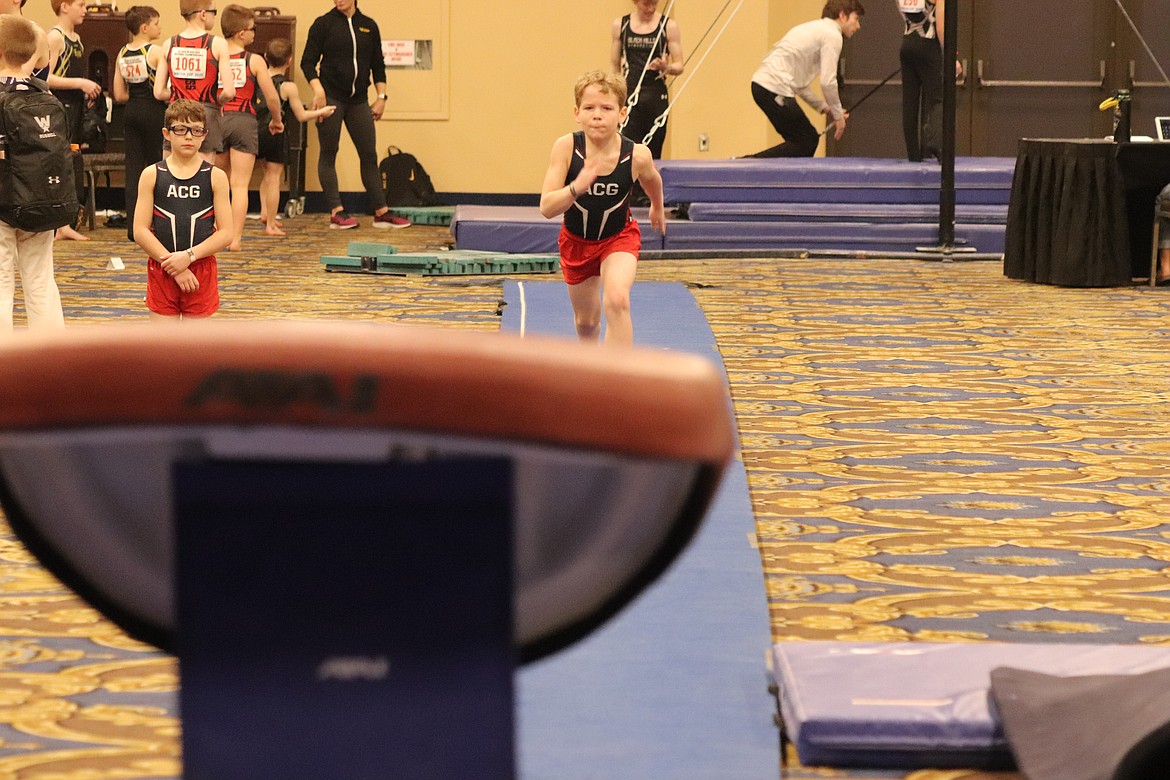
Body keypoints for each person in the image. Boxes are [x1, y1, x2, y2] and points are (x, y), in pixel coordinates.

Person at [539, 70, 665, 346]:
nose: (597, 115)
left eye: (607, 108)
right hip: (577, 242)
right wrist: (576, 186)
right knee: (586, 324)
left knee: (617, 300)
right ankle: (591, 370)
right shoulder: (566, 148)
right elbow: (547, 208)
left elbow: (653, 179)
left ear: (622, 114)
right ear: (577, 113)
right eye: (589, 108)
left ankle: (615, 381)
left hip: (618, 237)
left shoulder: (637, 155)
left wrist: (657, 207)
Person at [300, 0, 410, 230]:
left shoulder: (368, 26)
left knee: (369, 154)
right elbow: (307, 62)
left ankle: (381, 212)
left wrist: (381, 98)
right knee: (329, 152)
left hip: (359, 100)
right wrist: (318, 90)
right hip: (331, 97)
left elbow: (378, 65)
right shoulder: (323, 24)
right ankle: (336, 212)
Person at [132, 98, 232, 321]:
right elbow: (140, 230)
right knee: (162, 350)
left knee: (195, 352)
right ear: (167, 133)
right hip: (162, 266)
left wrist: (188, 257)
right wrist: (175, 266)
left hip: (200, 268)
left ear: (205, 135)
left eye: (196, 130)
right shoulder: (152, 174)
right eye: (181, 129)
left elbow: (226, 233)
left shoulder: (216, 177)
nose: (188, 136)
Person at [0, 14, 66, 332]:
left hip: (2, 201)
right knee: (41, 281)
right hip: (41, 197)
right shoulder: (45, 93)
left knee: (0, 285)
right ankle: (54, 362)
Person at [744, 0, 864, 158]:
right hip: (771, 87)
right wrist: (837, 115)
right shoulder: (832, 35)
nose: (858, 26)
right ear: (842, 16)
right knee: (806, 140)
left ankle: (750, 167)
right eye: (856, 19)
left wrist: (824, 107)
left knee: (804, 140)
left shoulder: (814, 29)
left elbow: (800, 86)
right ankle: (744, 165)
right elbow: (828, 82)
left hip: (764, 87)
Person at [215, 4, 283, 251]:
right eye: (253, 29)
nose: (255, 33)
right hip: (243, 119)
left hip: (218, 120)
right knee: (240, 185)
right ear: (241, 33)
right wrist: (277, 120)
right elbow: (272, 97)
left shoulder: (214, 56)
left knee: (218, 184)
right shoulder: (253, 60)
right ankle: (235, 239)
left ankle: (217, 233)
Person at [255, 38, 335, 237]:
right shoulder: (288, 86)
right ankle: (271, 224)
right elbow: (301, 115)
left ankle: (265, 212)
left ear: (266, 57)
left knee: (265, 173)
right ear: (289, 61)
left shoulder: (257, 77)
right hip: (276, 130)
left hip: (254, 130)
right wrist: (322, 112)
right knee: (273, 177)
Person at [153, 0, 236, 164]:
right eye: (214, 12)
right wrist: (218, 102)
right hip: (205, 112)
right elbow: (229, 91)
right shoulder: (217, 44)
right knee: (204, 173)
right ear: (203, 14)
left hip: (176, 112)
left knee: (171, 169)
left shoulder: (169, 44)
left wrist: (179, 93)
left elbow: (158, 92)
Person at [47, 0, 99, 241]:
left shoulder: (76, 39)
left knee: (73, 163)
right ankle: (58, 224)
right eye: (80, 4)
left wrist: (85, 93)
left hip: (76, 107)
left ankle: (68, 222)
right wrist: (80, 83)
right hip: (60, 107)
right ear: (64, 6)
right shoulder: (55, 38)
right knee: (61, 165)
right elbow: (46, 78)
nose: (85, 9)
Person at [113, 5, 167, 241]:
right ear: (145, 28)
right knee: (158, 166)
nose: (160, 27)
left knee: (133, 170)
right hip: (153, 112)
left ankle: (133, 228)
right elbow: (159, 92)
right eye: (156, 23)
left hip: (131, 110)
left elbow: (119, 95)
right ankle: (158, 224)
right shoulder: (155, 52)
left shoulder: (122, 53)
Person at [610, 0, 683, 161]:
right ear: (636, 2)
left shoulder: (668, 26)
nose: (650, 8)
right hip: (630, 94)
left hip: (655, 96)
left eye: (654, 4)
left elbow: (679, 66)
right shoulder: (621, 25)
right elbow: (615, 66)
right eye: (646, 4)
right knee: (627, 149)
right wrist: (613, 97)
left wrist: (667, 67)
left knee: (653, 151)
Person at [898, 0, 945, 162]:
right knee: (938, 99)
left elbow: (905, 15)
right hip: (928, 45)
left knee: (909, 103)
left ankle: (913, 155)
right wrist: (951, 56)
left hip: (907, 42)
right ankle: (936, 145)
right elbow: (940, 26)